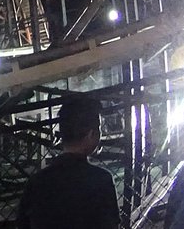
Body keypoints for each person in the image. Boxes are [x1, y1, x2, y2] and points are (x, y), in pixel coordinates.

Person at [16, 96, 119, 229]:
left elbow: (23, 224)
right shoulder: (101, 180)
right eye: (99, 129)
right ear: (90, 134)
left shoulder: (36, 182)